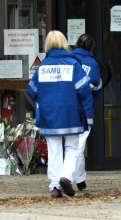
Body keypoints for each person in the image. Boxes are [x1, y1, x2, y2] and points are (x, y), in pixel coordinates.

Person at [27, 30, 92, 198]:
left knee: (54, 149)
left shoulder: (43, 66)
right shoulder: (73, 64)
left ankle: (55, 186)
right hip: (71, 113)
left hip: (50, 114)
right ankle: (66, 176)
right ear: (64, 43)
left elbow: (32, 90)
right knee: (72, 147)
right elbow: (84, 90)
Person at [72, 34, 102, 191]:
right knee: (79, 145)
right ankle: (68, 177)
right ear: (92, 47)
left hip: (68, 108)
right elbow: (97, 87)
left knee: (75, 145)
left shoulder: (69, 60)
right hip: (85, 108)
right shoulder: (92, 64)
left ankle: (80, 179)